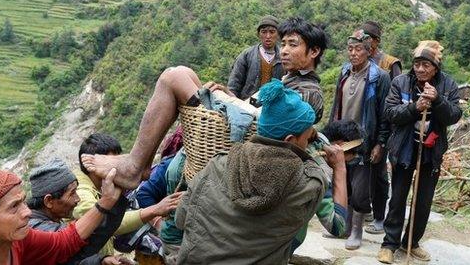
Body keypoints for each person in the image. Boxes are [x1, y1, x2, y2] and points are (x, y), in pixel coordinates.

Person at [81, 17, 328, 189]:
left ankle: (135, 167)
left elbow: (270, 123)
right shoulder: (286, 80)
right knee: (186, 73)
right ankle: (142, 162)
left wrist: (228, 102)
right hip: (237, 123)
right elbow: (254, 106)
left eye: (292, 45)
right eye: (283, 43)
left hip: (238, 137)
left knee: (173, 76)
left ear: (314, 52)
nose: (283, 50)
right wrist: (228, 96)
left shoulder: (309, 91)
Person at [175, 79, 343, 264]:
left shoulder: (217, 163)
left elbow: (180, 220)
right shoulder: (308, 185)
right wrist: (340, 168)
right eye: (307, 138)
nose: (309, 142)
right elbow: (339, 227)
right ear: (290, 140)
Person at [377, 41, 462, 264]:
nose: (421, 69)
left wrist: (438, 100)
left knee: (423, 201)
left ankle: (411, 243)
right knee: (397, 198)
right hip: (404, 149)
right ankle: (389, 244)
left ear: (435, 67)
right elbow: (390, 113)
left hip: (431, 152)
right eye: (417, 64)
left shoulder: (448, 85)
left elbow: (454, 116)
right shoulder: (400, 83)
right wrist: (415, 108)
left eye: (426, 65)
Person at [0, 166, 121, 265]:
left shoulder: (17, 239)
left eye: (22, 201)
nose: (27, 212)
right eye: (14, 207)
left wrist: (105, 202)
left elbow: (64, 242)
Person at [74, 133, 183, 258]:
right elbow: (105, 223)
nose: (119, 169)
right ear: (95, 165)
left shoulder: (98, 187)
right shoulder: (80, 193)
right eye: (111, 163)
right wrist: (154, 210)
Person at [329, 29, 390, 250]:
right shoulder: (344, 71)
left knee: (361, 188)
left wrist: (380, 143)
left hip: (364, 141)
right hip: (342, 139)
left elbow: (385, 114)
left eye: (359, 49)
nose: (353, 53)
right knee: (342, 182)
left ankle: (356, 231)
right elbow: (336, 105)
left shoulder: (379, 77)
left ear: (369, 51)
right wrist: (330, 135)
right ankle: (343, 227)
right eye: (350, 49)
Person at [27, 158, 131, 265]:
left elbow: (70, 260)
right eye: (72, 193)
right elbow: (85, 239)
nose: (78, 199)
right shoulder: (37, 229)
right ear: (49, 201)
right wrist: (109, 200)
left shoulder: (53, 220)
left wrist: (101, 261)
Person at [291, 120, 363, 253]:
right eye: (350, 156)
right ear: (341, 146)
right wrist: (340, 168)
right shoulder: (319, 168)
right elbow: (337, 226)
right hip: (284, 242)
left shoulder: (307, 140)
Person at [359, 20, 402, 234]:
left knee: (379, 173)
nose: (363, 42)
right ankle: (363, 208)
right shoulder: (359, 60)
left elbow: (398, 98)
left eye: (367, 38)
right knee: (360, 169)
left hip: (384, 128)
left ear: (375, 41)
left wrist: (385, 135)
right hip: (362, 127)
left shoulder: (390, 64)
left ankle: (379, 217)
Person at [227, 15, 284, 100]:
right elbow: (234, 84)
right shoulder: (246, 55)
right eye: (264, 32)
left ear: (278, 35)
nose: (268, 36)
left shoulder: (284, 58)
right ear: (258, 34)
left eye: (272, 32)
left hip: (274, 107)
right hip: (247, 105)